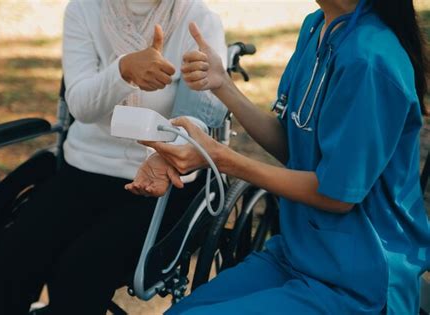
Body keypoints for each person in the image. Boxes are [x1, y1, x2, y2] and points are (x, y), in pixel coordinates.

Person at [130, 0, 430, 313]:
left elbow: (337, 196)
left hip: (358, 279)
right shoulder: (317, 26)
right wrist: (223, 85)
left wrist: (221, 157)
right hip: (298, 252)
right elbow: (292, 144)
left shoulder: (370, 60)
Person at [0, 1, 227, 314]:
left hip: (162, 182)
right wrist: (123, 71)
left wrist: (168, 152)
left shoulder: (198, 20)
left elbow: (198, 116)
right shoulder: (84, 10)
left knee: (80, 271)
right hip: (85, 168)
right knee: (11, 263)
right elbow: (80, 105)